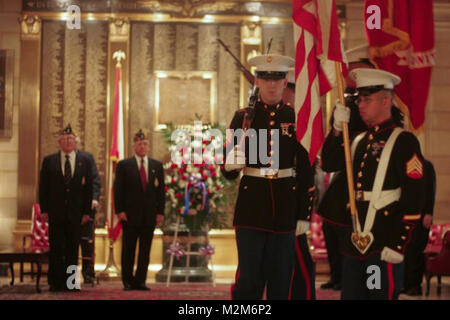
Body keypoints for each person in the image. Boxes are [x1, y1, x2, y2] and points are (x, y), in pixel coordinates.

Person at [321, 68, 426, 300]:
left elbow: (414, 197)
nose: (360, 105)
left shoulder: (403, 141)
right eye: (359, 99)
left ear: (386, 100)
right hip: (355, 241)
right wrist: (337, 130)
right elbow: (328, 163)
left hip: (382, 243)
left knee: (377, 296)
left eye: (367, 99)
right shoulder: (359, 140)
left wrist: (399, 244)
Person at [222, 54, 315, 300]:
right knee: (248, 281)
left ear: (285, 83)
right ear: (257, 81)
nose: (271, 84)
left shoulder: (295, 118)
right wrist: (230, 163)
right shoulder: (242, 117)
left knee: (281, 279)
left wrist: (305, 212)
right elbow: (227, 172)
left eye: (277, 79)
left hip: (285, 207)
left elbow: (306, 169)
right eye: (265, 78)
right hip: (251, 207)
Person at [39, 124, 94, 292]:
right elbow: (44, 187)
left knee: (72, 249)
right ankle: (56, 282)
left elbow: (89, 188)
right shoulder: (50, 161)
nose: (68, 142)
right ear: (59, 142)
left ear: (76, 142)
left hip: (76, 214)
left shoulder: (85, 160)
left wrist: (86, 212)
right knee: (56, 248)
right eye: (65, 139)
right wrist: (44, 210)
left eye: (71, 139)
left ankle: (71, 283)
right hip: (56, 213)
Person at [114, 129, 165, 291]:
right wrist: (120, 210)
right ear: (134, 146)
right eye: (139, 144)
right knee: (128, 250)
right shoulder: (124, 165)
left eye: (145, 144)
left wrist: (160, 212)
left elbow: (160, 191)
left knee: (145, 251)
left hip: (149, 216)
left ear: (148, 146)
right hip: (129, 216)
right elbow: (118, 190)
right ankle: (127, 280)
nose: (142, 147)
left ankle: (141, 280)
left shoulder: (156, 166)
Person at [283, 69, 316, 300]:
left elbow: (307, 174)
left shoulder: (300, 125)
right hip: (273, 203)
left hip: (293, 204)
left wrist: (304, 214)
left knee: (300, 264)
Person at [402, 159, 436, 296]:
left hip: (422, 217)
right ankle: (405, 284)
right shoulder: (402, 165)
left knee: (416, 252)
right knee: (406, 252)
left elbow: (431, 190)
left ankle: (415, 285)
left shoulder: (427, 165)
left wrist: (429, 213)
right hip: (405, 217)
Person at [75, 140, 101, 285]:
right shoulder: (58, 160)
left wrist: (94, 198)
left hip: (86, 209)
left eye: (73, 140)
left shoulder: (86, 158)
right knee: (70, 248)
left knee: (87, 245)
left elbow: (95, 181)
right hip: (69, 211)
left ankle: (88, 274)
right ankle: (71, 280)